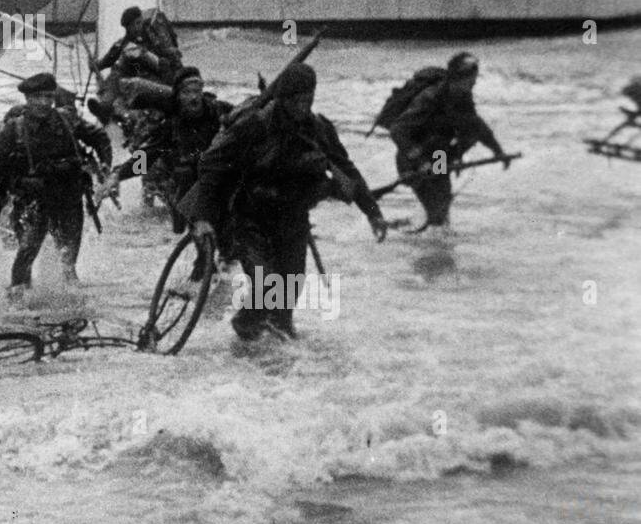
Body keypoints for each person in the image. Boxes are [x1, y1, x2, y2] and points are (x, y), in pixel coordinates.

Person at [189, 62, 388, 341]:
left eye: (307, 99)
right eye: (295, 100)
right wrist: (202, 217)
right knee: (268, 286)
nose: (302, 107)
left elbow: (347, 170)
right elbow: (213, 166)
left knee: (288, 298)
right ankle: (245, 333)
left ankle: (274, 365)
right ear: (282, 98)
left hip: (293, 220)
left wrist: (373, 213)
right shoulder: (255, 125)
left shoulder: (318, 129)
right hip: (250, 218)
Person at [0, 72, 98, 294]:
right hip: (33, 202)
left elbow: (99, 136)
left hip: (68, 198)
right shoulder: (13, 128)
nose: (44, 103)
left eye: (49, 97)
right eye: (38, 97)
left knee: (68, 260)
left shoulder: (67, 120)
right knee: (26, 255)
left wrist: (107, 171)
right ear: (27, 99)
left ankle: (70, 305)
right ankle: (18, 306)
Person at [99, 66, 231, 232]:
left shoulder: (220, 112)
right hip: (187, 189)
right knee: (184, 232)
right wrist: (117, 175)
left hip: (219, 186)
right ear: (178, 96)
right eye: (187, 92)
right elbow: (147, 156)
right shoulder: (172, 125)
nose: (194, 98)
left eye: (197, 91)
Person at [388, 52, 512, 227]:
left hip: (439, 156)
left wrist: (498, 151)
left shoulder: (463, 98)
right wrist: (421, 162)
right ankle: (406, 234)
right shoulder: (429, 98)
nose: (474, 84)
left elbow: (477, 126)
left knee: (442, 209)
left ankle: (407, 232)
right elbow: (397, 130)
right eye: (471, 80)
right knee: (436, 212)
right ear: (457, 79)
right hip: (412, 160)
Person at [88, 5, 183, 124]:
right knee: (117, 73)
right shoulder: (122, 44)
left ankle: (111, 108)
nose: (138, 27)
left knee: (123, 77)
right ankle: (106, 107)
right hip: (132, 81)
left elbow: (168, 61)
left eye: (139, 23)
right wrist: (93, 64)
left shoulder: (154, 40)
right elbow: (104, 62)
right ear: (127, 27)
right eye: (134, 24)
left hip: (155, 80)